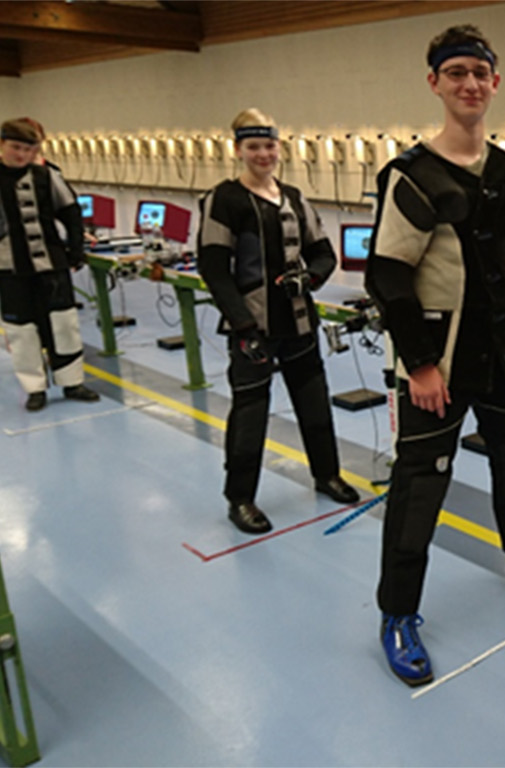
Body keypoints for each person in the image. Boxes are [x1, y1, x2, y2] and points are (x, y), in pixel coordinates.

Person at [364, 24, 505, 687]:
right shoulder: (411, 176)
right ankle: (398, 613)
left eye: (479, 73)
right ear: (434, 83)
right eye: (455, 73)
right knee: (420, 482)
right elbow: (388, 275)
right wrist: (421, 364)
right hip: (440, 363)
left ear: (495, 82)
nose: (469, 84)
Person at [196, 108, 360, 535]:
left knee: (315, 405)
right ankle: (241, 498)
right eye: (253, 146)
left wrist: (312, 277)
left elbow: (323, 252)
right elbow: (214, 268)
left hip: (300, 324)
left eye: (269, 145)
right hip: (253, 330)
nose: (263, 153)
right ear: (238, 150)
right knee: (251, 413)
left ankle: (326, 475)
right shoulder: (223, 199)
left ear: (279, 147)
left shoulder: (294, 196)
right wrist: (243, 326)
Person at [0, 117, 101, 411]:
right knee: (21, 330)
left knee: (64, 325)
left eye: (28, 149)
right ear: (1, 145)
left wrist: (76, 252)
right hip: (10, 268)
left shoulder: (47, 176)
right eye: (15, 147)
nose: (21, 154)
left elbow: (71, 213)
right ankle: (34, 388)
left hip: (53, 265)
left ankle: (72, 381)